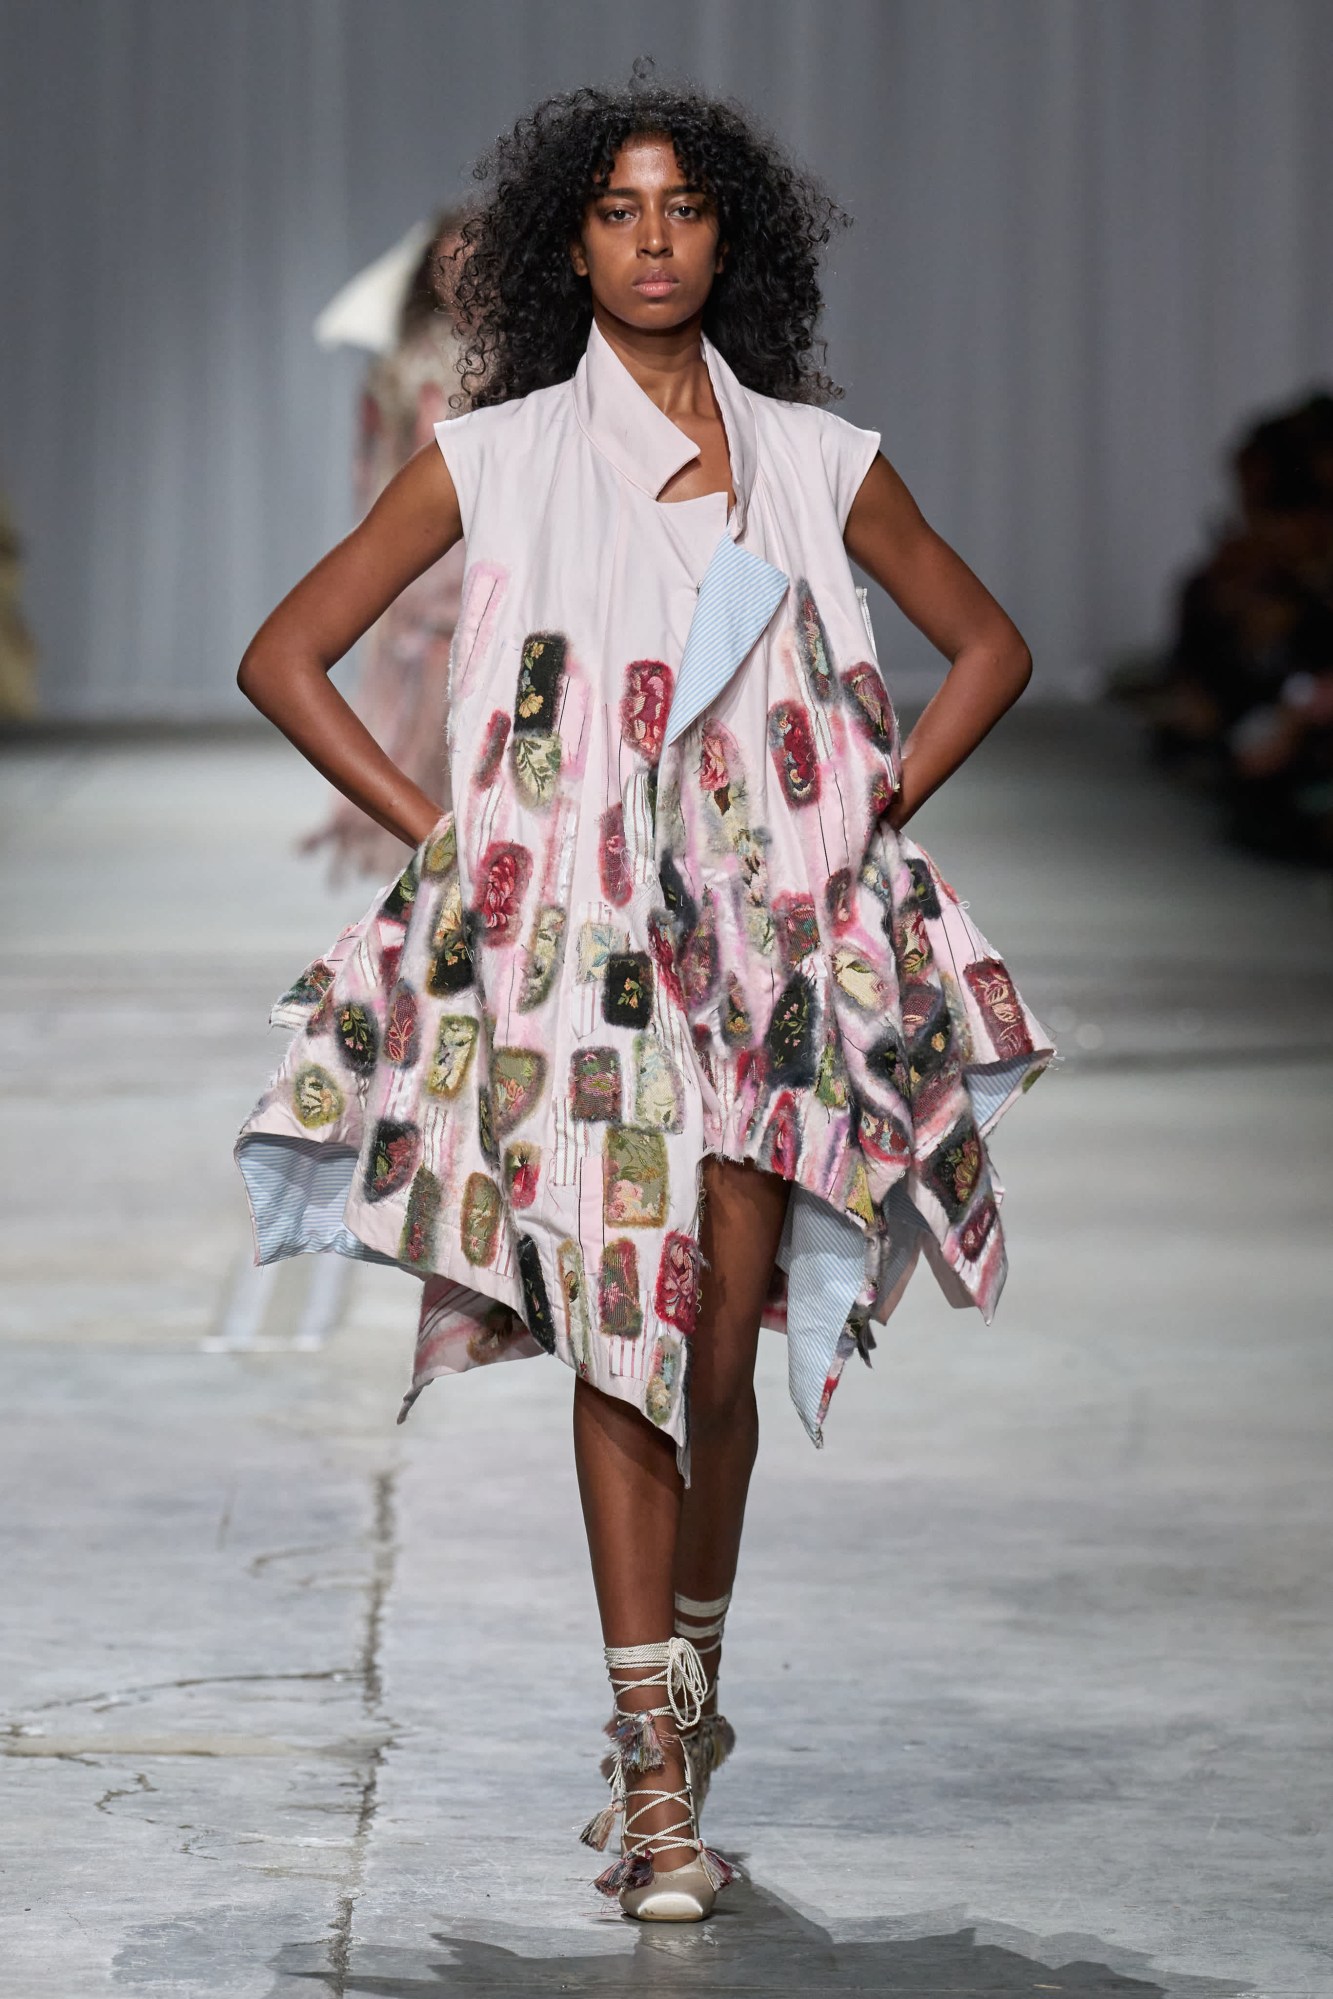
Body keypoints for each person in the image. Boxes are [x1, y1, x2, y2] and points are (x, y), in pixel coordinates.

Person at [234, 74, 1053, 1923]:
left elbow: (988, 643)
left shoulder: (819, 461)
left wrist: (869, 805)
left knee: (717, 1352)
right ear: (571, 243)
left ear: (729, 236)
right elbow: (287, 652)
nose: (655, 236)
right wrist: (449, 835)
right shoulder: (497, 455)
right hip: (579, 970)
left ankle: (687, 1696)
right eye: (617, 209)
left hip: (771, 963)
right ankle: (652, 1776)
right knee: (627, 1325)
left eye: (682, 206)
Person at [302, 210, 471, 879]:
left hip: (489, 534)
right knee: (417, 690)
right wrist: (375, 538)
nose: (463, 276)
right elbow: (378, 456)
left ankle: (478, 836)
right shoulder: (404, 362)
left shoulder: (525, 353)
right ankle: (423, 845)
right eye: (451, 262)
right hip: (424, 538)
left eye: (475, 261)